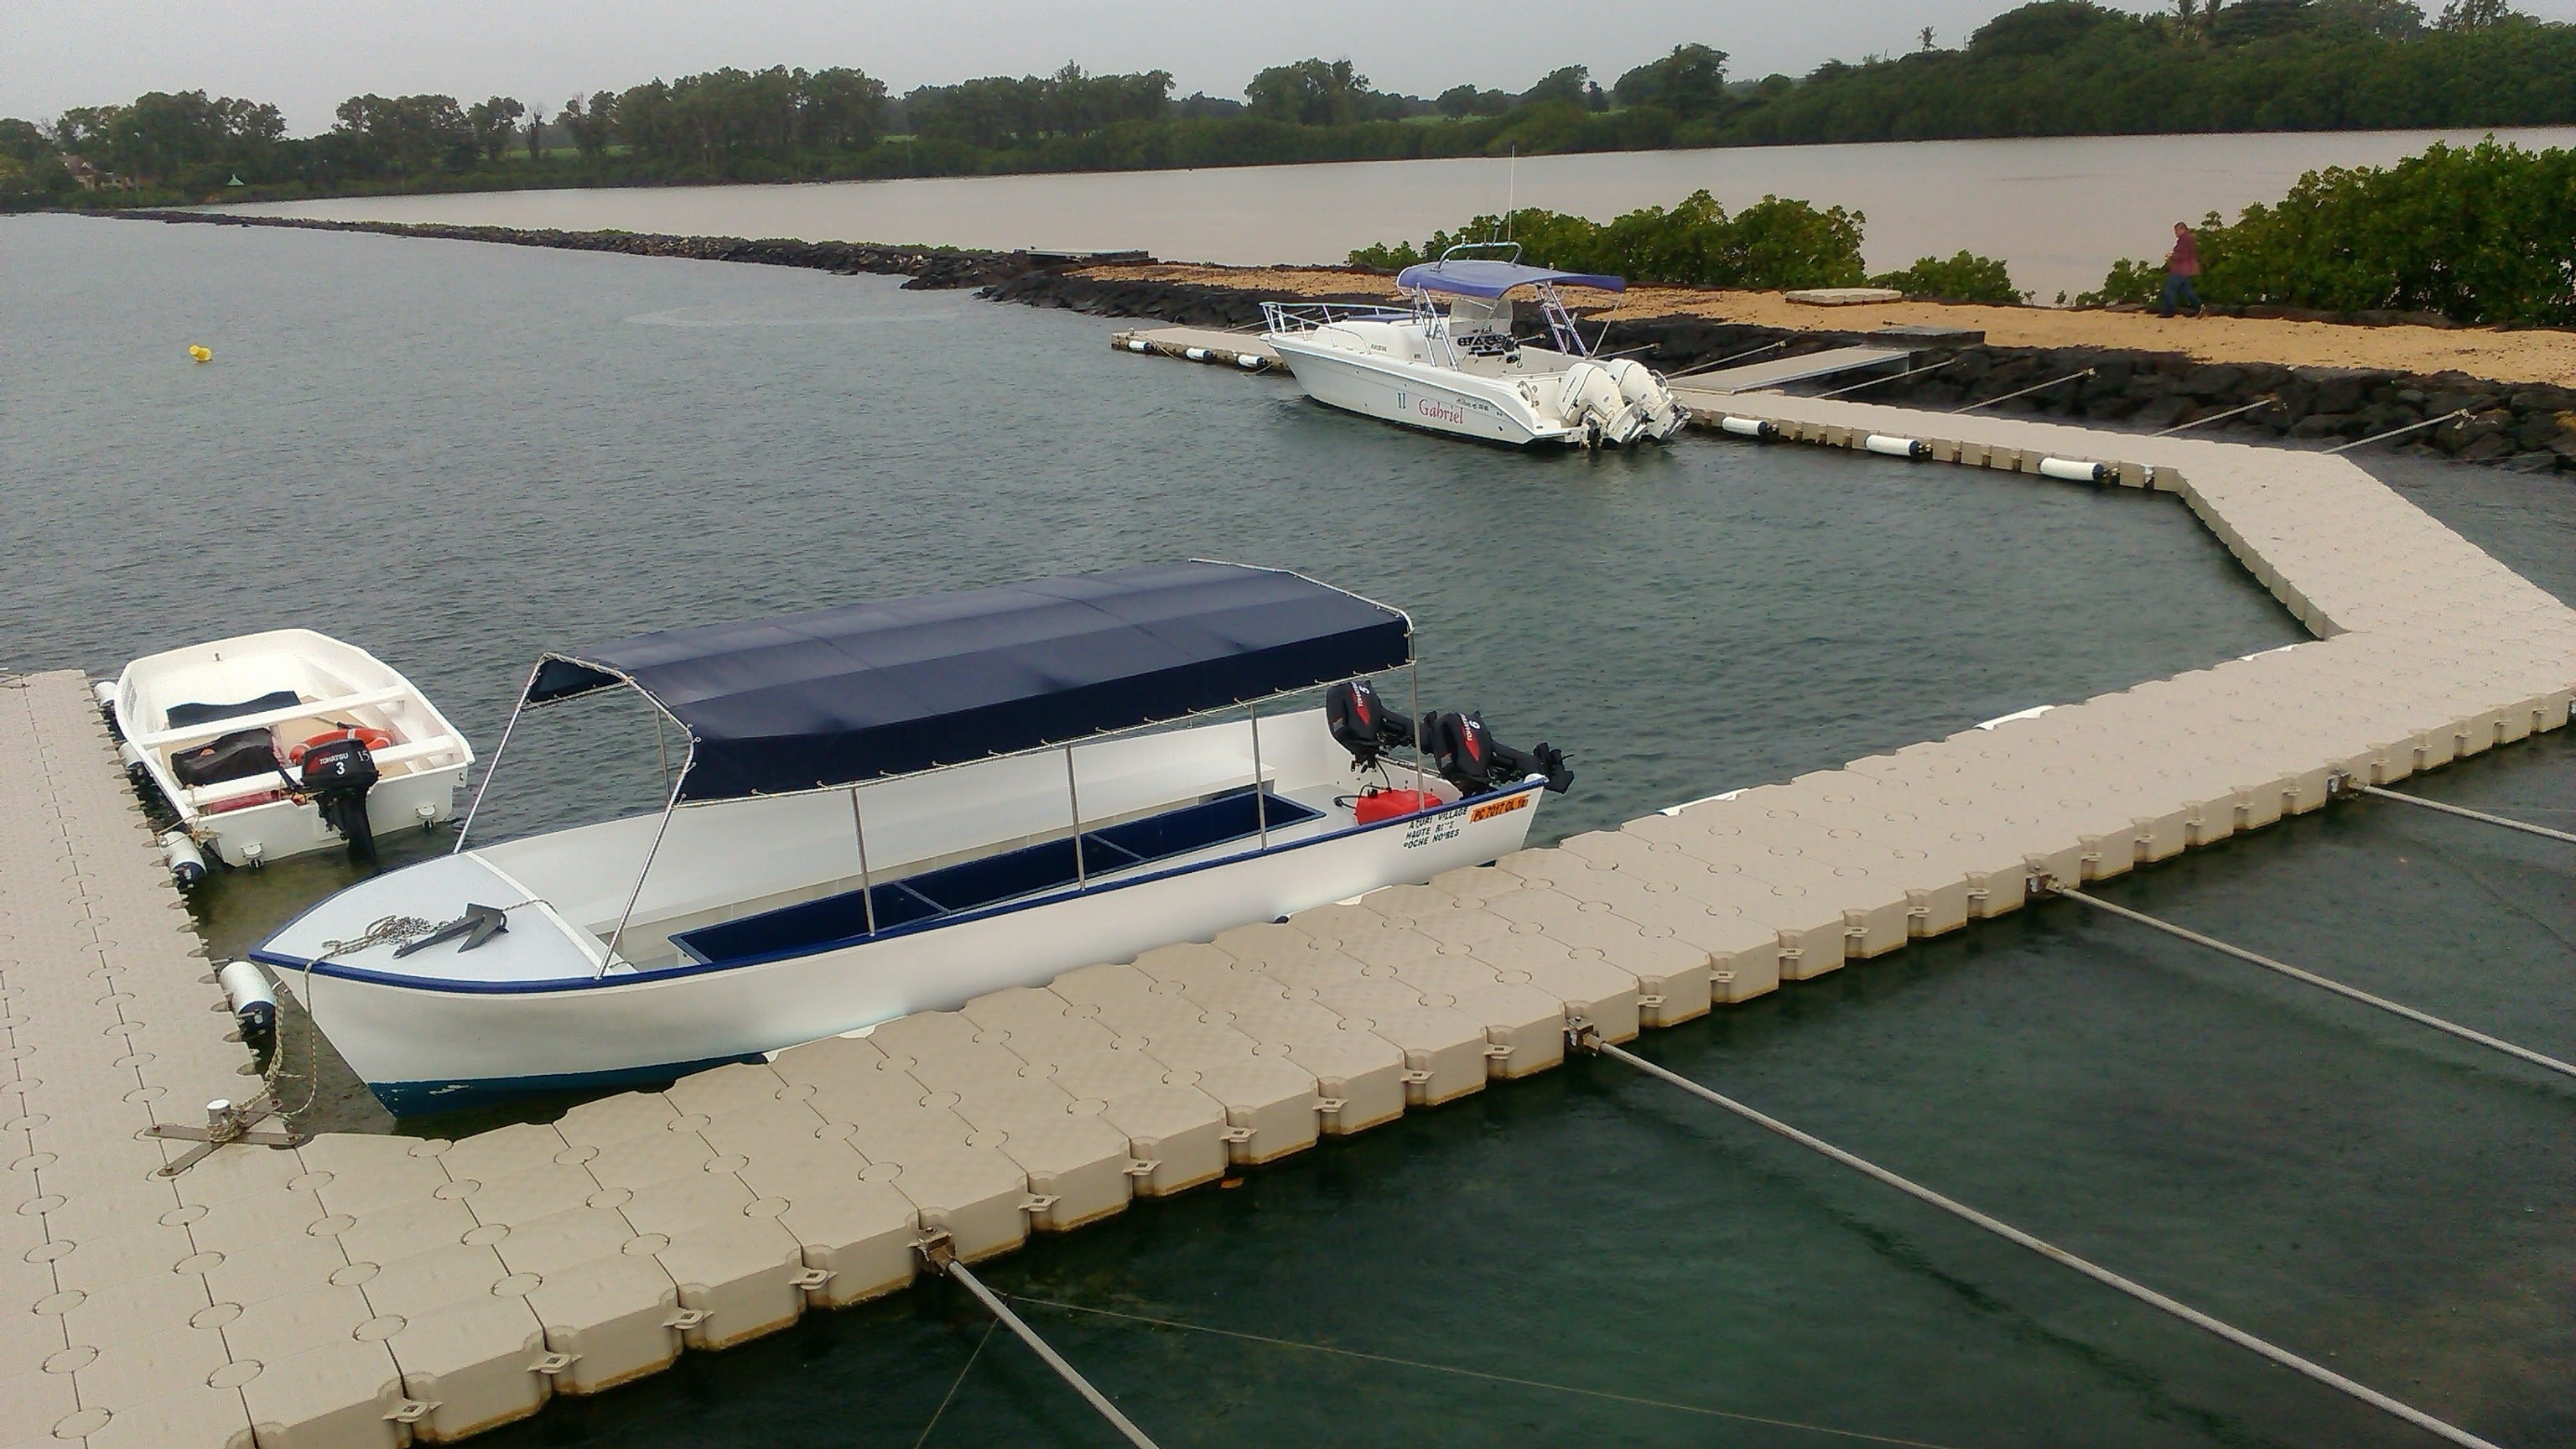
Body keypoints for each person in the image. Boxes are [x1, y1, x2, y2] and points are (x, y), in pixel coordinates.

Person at [2160, 222, 2203, 318]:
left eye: (2176, 231)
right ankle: (2199, 307)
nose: (2175, 233)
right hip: (2187, 269)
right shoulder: (2189, 239)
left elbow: (2183, 254)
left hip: (2180, 269)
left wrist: (2172, 255)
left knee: (2170, 289)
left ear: (2182, 229)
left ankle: (2169, 311)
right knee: (2187, 290)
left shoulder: (2185, 239)